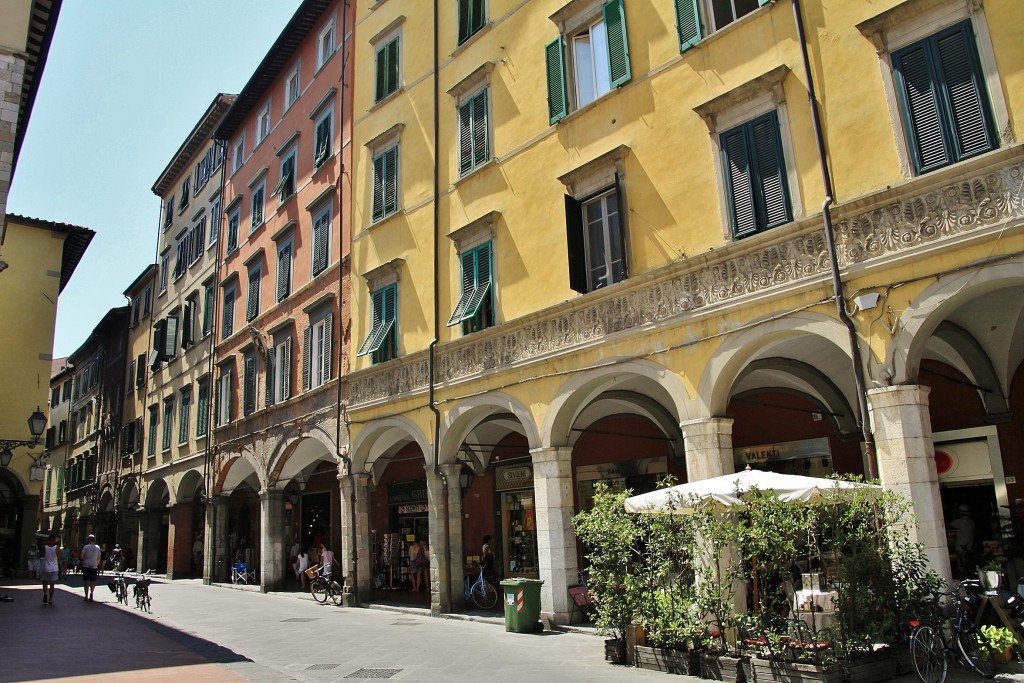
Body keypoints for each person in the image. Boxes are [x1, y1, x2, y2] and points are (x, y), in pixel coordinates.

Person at [949, 503, 976, 577]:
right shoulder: (971, 522)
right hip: (970, 546)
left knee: (962, 566)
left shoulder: (960, 521)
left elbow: (949, 524)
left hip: (961, 547)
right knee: (969, 566)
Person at [40, 534, 62, 607]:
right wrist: (61, 567)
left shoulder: (45, 547)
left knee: (45, 582)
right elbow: (59, 559)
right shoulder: (57, 548)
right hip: (54, 568)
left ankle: (45, 594)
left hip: (45, 568)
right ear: (54, 541)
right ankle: (51, 599)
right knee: (52, 585)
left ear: (48, 540)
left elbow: (42, 555)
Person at [80, 534, 102, 602]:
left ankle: (86, 596)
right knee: (93, 581)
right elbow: (99, 557)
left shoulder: (86, 547)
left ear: (89, 540)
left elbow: (81, 556)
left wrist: (84, 559)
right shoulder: (97, 547)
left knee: (86, 581)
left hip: (86, 565)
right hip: (94, 566)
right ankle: (91, 593)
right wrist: (97, 563)